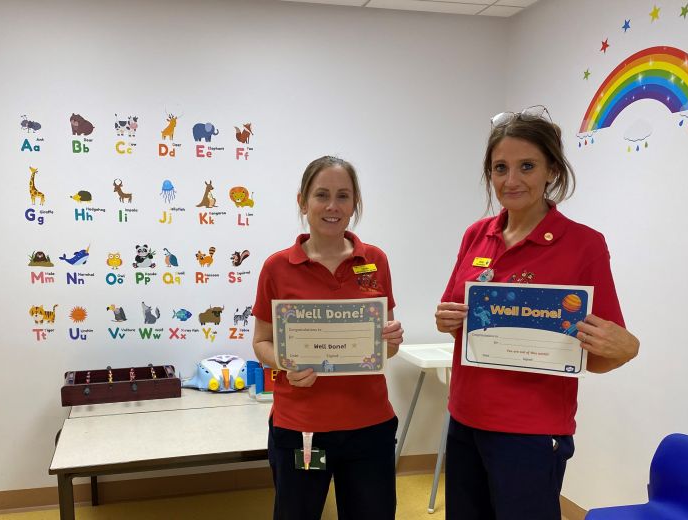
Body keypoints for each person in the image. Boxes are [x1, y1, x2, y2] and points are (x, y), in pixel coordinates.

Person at [434, 106, 640, 519]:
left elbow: (601, 352)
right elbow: (454, 314)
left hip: (529, 432)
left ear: (551, 170)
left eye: (526, 166)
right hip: (465, 418)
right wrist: (446, 320)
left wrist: (625, 348)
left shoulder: (583, 245)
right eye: (499, 168)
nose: (511, 181)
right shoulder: (477, 235)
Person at [252, 155, 404, 520]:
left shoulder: (375, 261)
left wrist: (392, 340)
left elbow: (386, 344)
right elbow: (261, 343)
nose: (332, 206)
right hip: (302, 429)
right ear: (303, 202)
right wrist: (285, 363)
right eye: (321, 195)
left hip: (369, 426)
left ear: (355, 204)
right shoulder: (277, 267)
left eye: (343, 196)